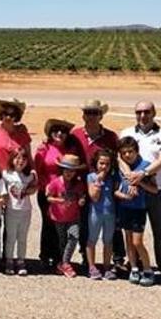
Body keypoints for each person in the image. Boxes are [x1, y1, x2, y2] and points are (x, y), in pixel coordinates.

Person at [120, 100, 161, 285]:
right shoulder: (126, 133)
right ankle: (136, 266)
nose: (142, 116)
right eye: (139, 112)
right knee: (132, 233)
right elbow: (120, 158)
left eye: (146, 112)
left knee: (160, 232)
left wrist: (142, 174)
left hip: (157, 190)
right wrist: (130, 177)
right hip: (133, 191)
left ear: (154, 113)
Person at [70, 99, 122, 268]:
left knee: (113, 223)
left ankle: (117, 259)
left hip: (106, 186)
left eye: (95, 113)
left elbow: (117, 161)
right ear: (83, 115)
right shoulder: (75, 135)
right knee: (85, 223)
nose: (91, 116)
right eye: (88, 112)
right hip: (81, 185)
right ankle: (87, 258)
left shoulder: (111, 137)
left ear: (101, 115)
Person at [34, 118, 83, 269]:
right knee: (48, 224)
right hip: (47, 191)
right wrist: (45, 185)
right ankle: (45, 255)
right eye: (56, 131)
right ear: (50, 133)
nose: (60, 134)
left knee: (62, 224)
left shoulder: (71, 150)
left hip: (67, 192)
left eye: (63, 131)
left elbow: (77, 169)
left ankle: (58, 257)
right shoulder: (44, 148)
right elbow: (37, 170)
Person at [115, 137, 159, 287]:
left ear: (136, 151)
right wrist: (125, 195)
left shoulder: (145, 166)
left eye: (130, 152)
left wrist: (139, 182)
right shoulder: (120, 167)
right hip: (124, 207)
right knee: (128, 239)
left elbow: (154, 189)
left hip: (139, 209)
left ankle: (147, 269)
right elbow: (116, 188)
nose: (127, 155)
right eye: (124, 152)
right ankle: (133, 268)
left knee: (137, 241)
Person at [45, 154, 87, 278]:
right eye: (66, 170)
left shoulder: (78, 184)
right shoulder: (56, 182)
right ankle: (62, 264)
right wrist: (59, 200)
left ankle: (66, 263)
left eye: (72, 171)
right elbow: (48, 197)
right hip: (59, 217)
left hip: (73, 217)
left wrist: (82, 200)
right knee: (62, 241)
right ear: (62, 170)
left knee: (74, 237)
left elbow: (82, 195)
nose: (69, 173)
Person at [2, 148, 37, 276]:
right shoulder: (6, 174)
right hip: (11, 209)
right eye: (17, 158)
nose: (20, 161)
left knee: (22, 237)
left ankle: (21, 260)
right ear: (12, 159)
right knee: (10, 237)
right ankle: (9, 260)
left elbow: (34, 188)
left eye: (23, 159)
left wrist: (29, 190)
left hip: (25, 210)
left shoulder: (30, 175)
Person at [85, 149, 119, 281]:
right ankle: (92, 266)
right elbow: (94, 197)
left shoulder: (112, 178)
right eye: (101, 163)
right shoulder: (91, 177)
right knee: (92, 239)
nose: (104, 167)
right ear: (96, 163)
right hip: (95, 213)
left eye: (107, 164)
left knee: (108, 241)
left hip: (110, 212)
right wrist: (98, 182)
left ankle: (106, 266)